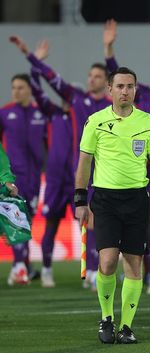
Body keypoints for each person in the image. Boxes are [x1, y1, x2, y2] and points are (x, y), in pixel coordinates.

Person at [75, 67, 150, 344]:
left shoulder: (149, 123)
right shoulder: (95, 122)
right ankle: (106, 318)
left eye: (130, 86)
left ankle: (126, 326)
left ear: (136, 90)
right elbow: (84, 161)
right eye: (120, 86)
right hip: (104, 199)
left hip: (137, 200)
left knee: (133, 263)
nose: (125, 91)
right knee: (106, 261)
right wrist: (80, 199)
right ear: (110, 90)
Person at [20, 35, 112, 289]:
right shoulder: (70, 103)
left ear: (106, 82)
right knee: (53, 222)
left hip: (97, 173)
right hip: (61, 177)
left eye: (96, 76)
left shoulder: (111, 106)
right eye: (90, 75)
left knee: (93, 221)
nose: (91, 79)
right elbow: (50, 81)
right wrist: (33, 60)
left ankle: (93, 272)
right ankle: (48, 269)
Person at [1, 63, 47, 285]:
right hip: (12, 178)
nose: (16, 91)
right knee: (16, 222)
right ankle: (20, 267)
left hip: (35, 179)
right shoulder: (5, 113)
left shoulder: (41, 113)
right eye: (13, 88)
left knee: (26, 222)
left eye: (20, 87)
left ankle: (24, 266)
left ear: (29, 89)